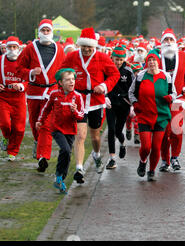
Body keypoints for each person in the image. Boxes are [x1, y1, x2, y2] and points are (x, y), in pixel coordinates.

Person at [61, 27, 120, 182]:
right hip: (78, 100)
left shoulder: (102, 57)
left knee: (95, 136)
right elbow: (61, 72)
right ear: (80, 45)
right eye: (84, 46)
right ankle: (79, 169)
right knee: (80, 135)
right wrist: (65, 85)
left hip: (95, 100)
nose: (86, 49)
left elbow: (115, 74)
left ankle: (97, 154)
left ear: (94, 46)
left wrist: (104, 86)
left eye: (89, 46)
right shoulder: (72, 56)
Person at [17, 19, 65, 172]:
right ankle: (38, 145)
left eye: (48, 30)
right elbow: (19, 68)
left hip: (51, 93)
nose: (45, 33)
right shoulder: (30, 48)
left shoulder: (59, 49)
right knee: (34, 123)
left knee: (46, 125)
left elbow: (64, 70)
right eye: (43, 30)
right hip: (34, 93)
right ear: (39, 32)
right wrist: (30, 72)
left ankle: (43, 157)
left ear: (51, 32)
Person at [129, 49, 176, 181]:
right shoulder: (140, 76)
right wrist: (135, 103)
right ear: (146, 62)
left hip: (161, 116)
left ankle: (151, 171)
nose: (152, 62)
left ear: (158, 62)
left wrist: (170, 98)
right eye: (149, 60)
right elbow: (131, 92)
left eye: (154, 60)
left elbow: (174, 92)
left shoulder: (166, 76)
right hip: (144, 115)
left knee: (156, 146)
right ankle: (143, 161)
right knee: (146, 147)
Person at [36, 68, 84, 192]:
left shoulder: (78, 96)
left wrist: (74, 111)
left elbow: (81, 115)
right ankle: (58, 175)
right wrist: (40, 120)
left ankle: (60, 179)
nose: (71, 82)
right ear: (60, 82)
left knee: (67, 155)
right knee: (65, 149)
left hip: (70, 130)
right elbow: (46, 108)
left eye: (73, 79)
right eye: (68, 80)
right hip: (57, 128)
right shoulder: (54, 94)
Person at [158, 28, 185, 173]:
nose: (168, 43)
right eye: (165, 40)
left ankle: (175, 157)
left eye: (170, 40)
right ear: (161, 43)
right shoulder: (156, 56)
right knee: (163, 131)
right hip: (161, 100)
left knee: (176, 130)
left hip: (178, 99)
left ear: (175, 42)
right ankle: (164, 160)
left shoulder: (184, 56)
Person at [105, 47, 135, 169]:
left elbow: (133, 89)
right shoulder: (106, 70)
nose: (118, 62)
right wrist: (105, 96)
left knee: (118, 131)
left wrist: (132, 104)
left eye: (120, 60)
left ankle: (122, 144)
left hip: (123, 104)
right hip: (110, 103)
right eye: (116, 59)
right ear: (111, 58)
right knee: (111, 130)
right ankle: (112, 158)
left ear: (124, 60)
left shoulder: (128, 72)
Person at [0, 36, 27, 161]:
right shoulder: (0, 60)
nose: (11, 49)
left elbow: (29, 79)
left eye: (14, 47)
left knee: (19, 128)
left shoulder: (24, 61)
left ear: (18, 48)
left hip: (19, 98)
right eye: (9, 47)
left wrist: (21, 85)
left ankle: (13, 151)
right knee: (5, 123)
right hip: (3, 97)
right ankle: (6, 137)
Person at [126, 63, 143, 144]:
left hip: (138, 102)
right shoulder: (129, 80)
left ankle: (137, 135)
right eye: (136, 71)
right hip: (129, 102)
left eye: (140, 71)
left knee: (137, 118)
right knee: (128, 118)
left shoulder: (143, 80)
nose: (138, 73)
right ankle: (128, 129)